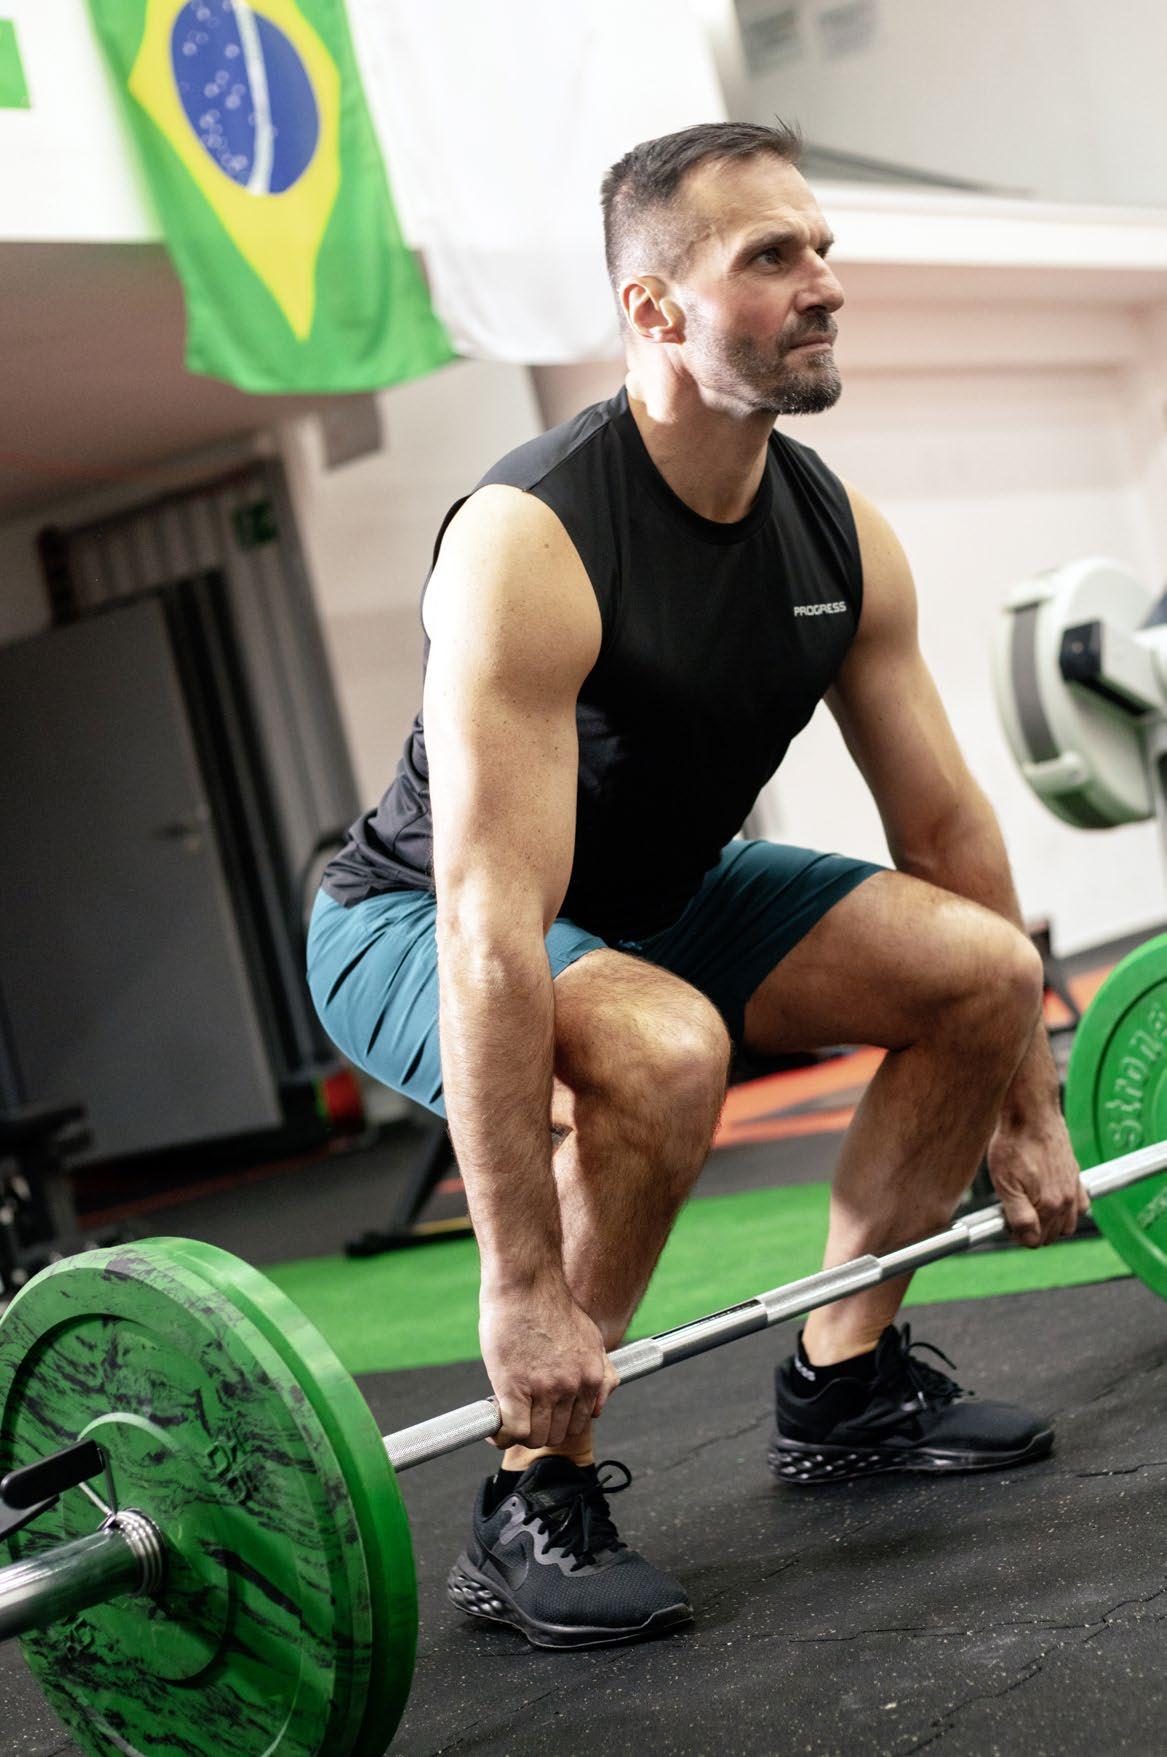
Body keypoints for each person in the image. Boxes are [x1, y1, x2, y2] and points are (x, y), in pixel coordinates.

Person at [307, 120, 1089, 1650]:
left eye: (823, 249)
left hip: (668, 891)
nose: (825, 283)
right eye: (772, 256)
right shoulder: (532, 537)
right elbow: (489, 926)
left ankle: (845, 1386)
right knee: (665, 1051)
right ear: (654, 309)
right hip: (414, 921)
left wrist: (1031, 1098)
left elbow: (944, 825)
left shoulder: (836, 530)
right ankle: (530, 1492)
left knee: (984, 973)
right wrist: (520, 1288)